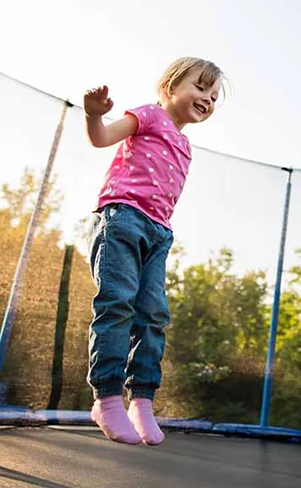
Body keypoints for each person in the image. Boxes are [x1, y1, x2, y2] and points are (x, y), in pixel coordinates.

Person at [83, 57, 225, 445]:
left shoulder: (185, 145)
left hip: (160, 232)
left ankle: (141, 400)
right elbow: (100, 139)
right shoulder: (147, 115)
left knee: (153, 315)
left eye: (214, 96)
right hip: (123, 217)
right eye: (200, 87)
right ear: (170, 86)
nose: (207, 99)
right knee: (117, 304)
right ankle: (108, 397)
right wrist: (94, 116)